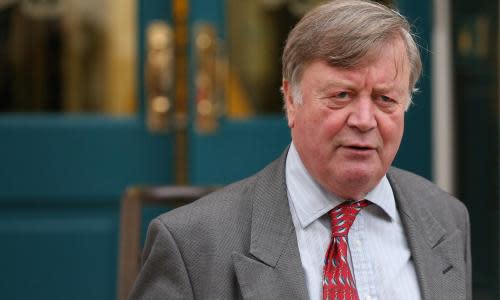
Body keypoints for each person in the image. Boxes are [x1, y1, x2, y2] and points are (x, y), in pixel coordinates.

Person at [130, 0, 471, 299]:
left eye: (385, 99)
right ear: (291, 101)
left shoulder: (445, 220)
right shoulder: (193, 245)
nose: (365, 120)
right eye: (342, 96)